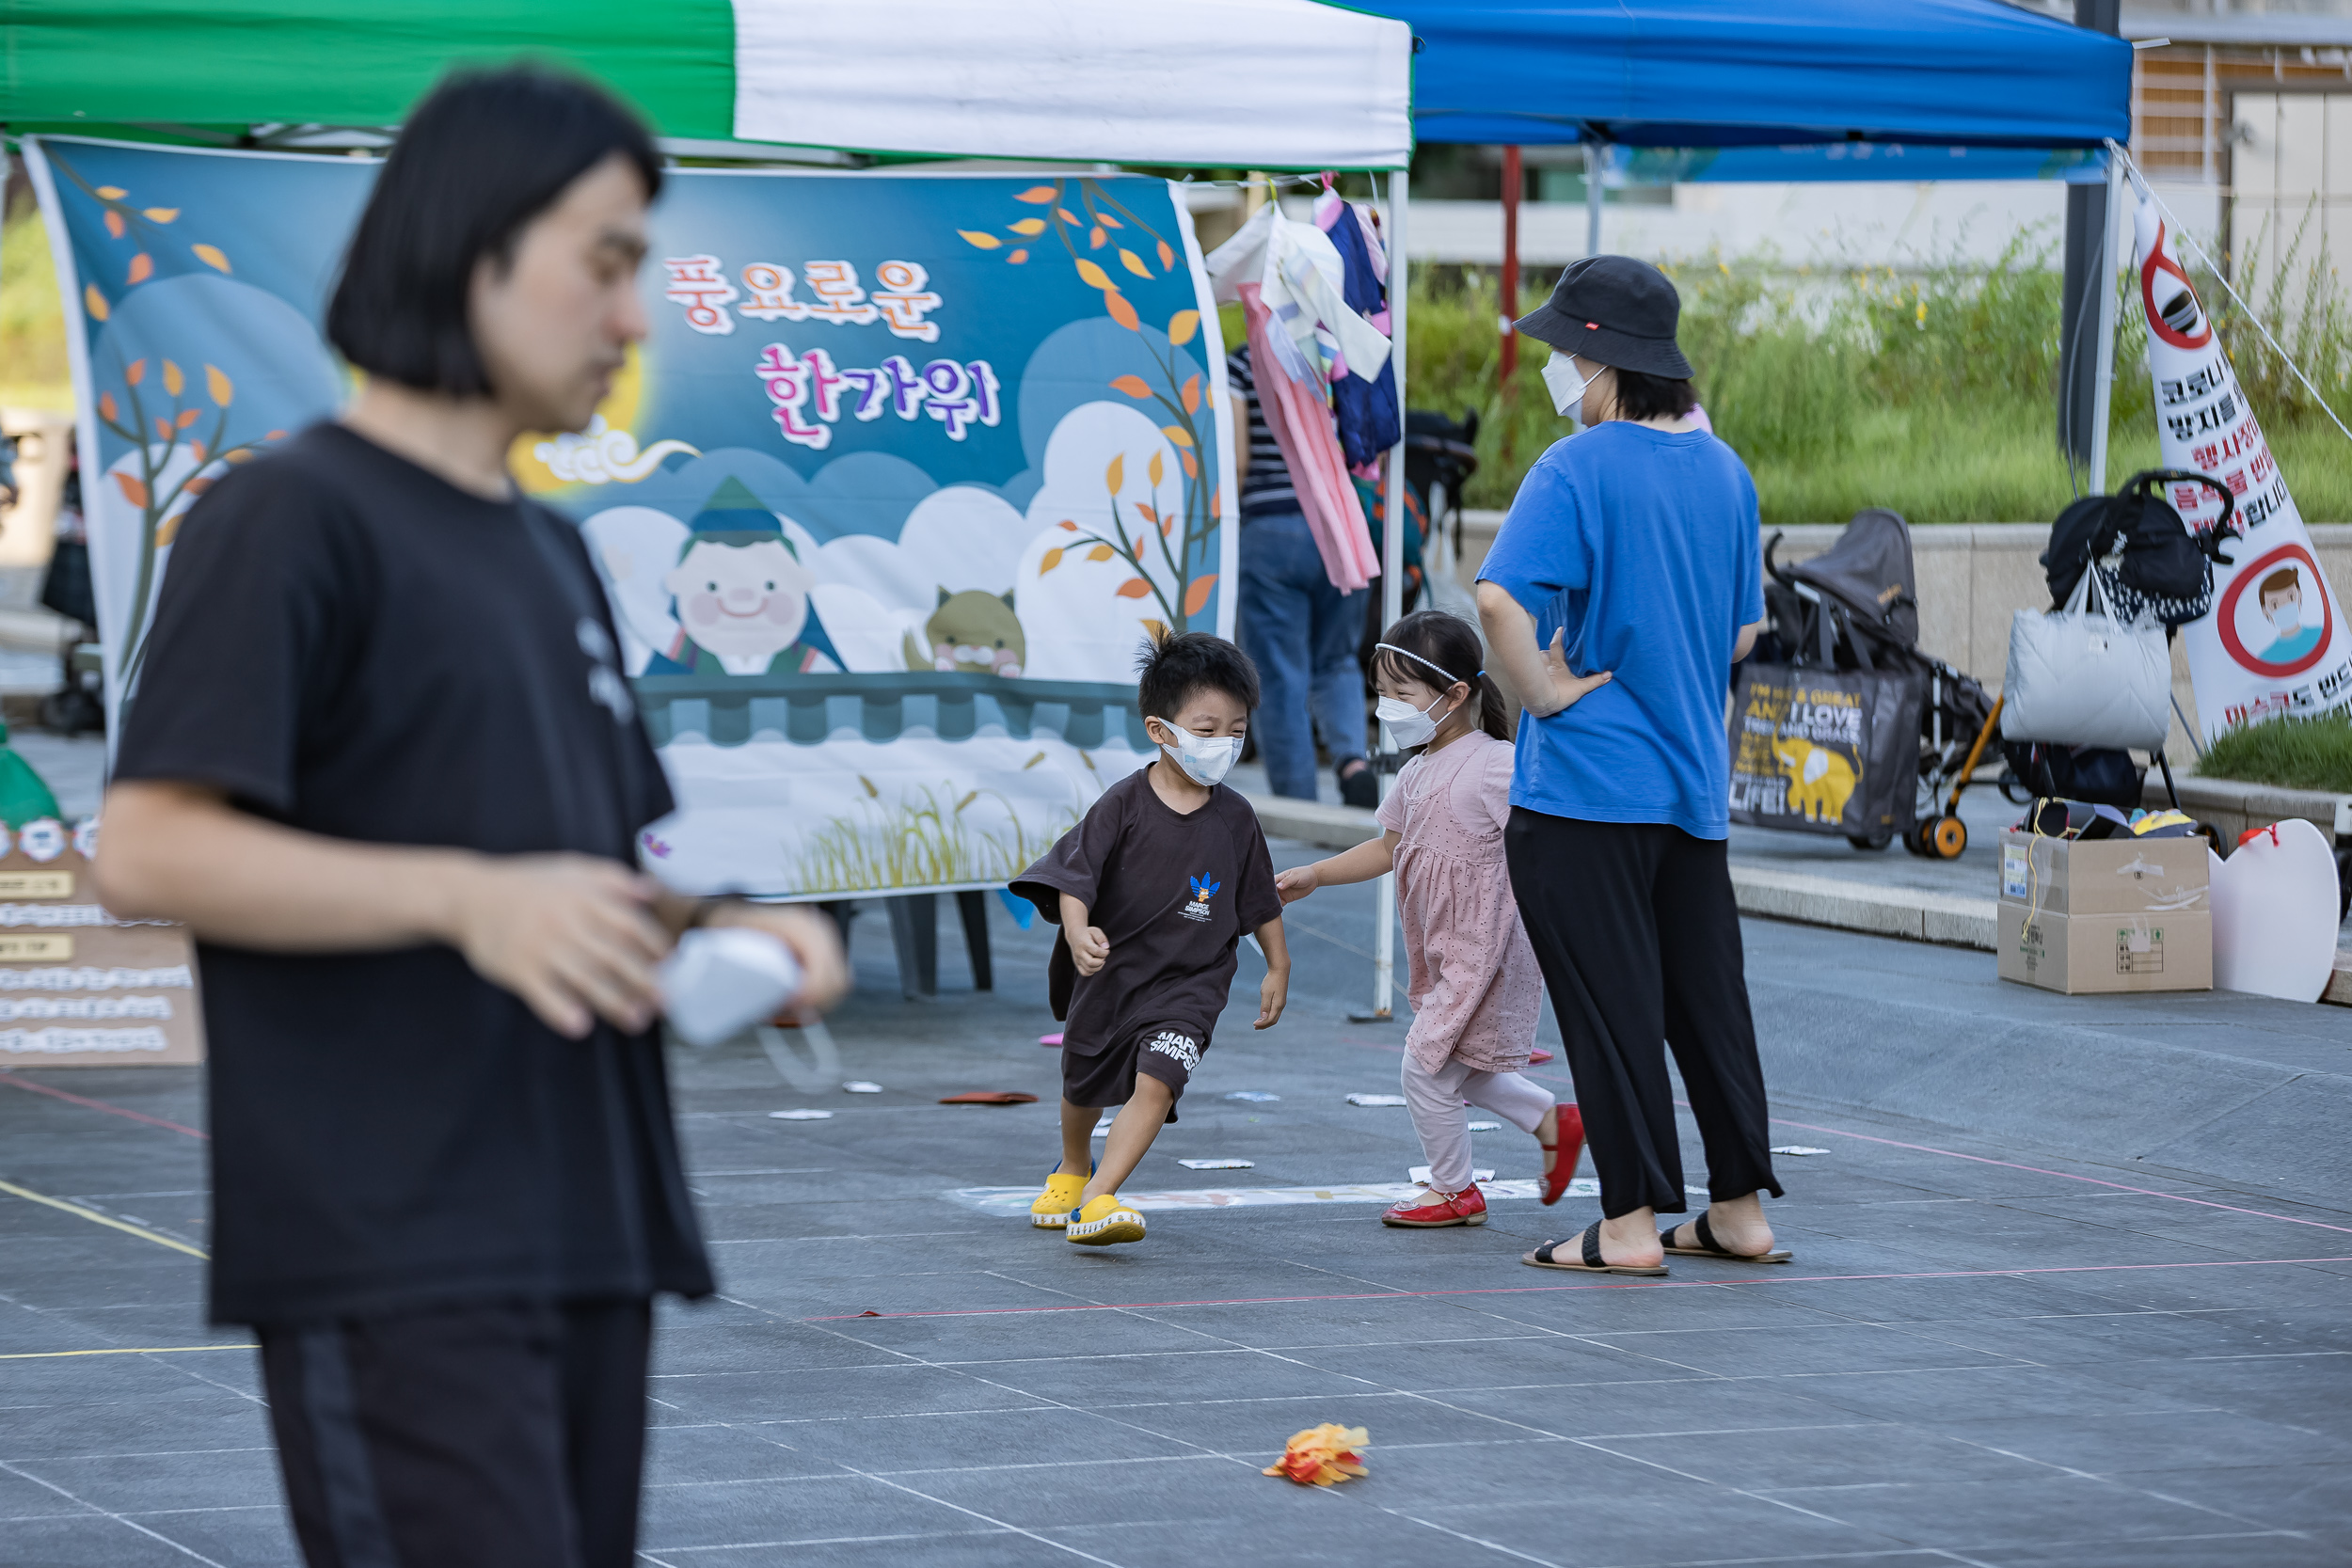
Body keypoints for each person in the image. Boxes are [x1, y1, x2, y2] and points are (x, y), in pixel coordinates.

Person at [92, 68, 849, 1568]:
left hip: (582, 1216)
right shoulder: (290, 516)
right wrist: (465, 898)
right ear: (473, 243)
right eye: (609, 260)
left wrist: (733, 925)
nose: (634, 319)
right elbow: (150, 844)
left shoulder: (549, 554)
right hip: (393, 1236)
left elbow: (606, 853)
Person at [1475, 256, 1788, 1277]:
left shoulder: (1574, 469)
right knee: (1706, 1006)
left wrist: (1546, 693)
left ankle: (1628, 1225)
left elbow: (1498, 601)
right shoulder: (1726, 471)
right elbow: (1743, 631)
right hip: (1689, 790)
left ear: (1601, 358)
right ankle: (1737, 1208)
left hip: (1584, 791)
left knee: (1610, 1010)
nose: (1559, 368)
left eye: (1566, 349)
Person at [1276, 610, 1585, 1227]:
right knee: (1460, 1069)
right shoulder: (1415, 770)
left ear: (1454, 695)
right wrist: (1316, 873)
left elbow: (1544, 848)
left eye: (1400, 694)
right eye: (1382, 695)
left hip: (1486, 951)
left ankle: (1454, 1190)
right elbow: (1389, 847)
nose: (1385, 708)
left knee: (1424, 1066)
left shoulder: (1495, 764)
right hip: (1449, 949)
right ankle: (1555, 1121)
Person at [1010, 631, 1289, 1247]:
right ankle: (1074, 1163)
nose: (1224, 744)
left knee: (1159, 1078)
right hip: (1112, 976)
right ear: (1161, 731)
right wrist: (1080, 933)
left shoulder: (1237, 816)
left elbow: (1259, 897)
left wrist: (1278, 962)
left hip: (1192, 984)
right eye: (1207, 728)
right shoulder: (1122, 805)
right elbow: (1073, 877)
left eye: (1236, 731)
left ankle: (1100, 1195)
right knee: (1082, 1084)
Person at [1229, 341, 1378, 808]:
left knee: (1278, 675)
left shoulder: (1242, 361)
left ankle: (1300, 807)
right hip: (1341, 528)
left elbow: (1237, 462)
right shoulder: (1339, 350)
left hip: (1271, 530)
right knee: (1337, 659)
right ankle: (1354, 763)